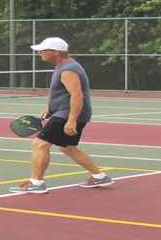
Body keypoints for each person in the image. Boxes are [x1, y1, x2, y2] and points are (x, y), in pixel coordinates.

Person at [9, 37, 110, 193]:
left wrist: (71, 120)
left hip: (67, 114)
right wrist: (50, 107)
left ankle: (36, 183)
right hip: (64, 112)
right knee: (67, 147)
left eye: (43, 50)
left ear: (56, 52)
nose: (40, 53)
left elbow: (77, 95)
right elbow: (64, 93)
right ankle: (99, 176)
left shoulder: (68, 69)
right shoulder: (63, 66)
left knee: (40, 144)